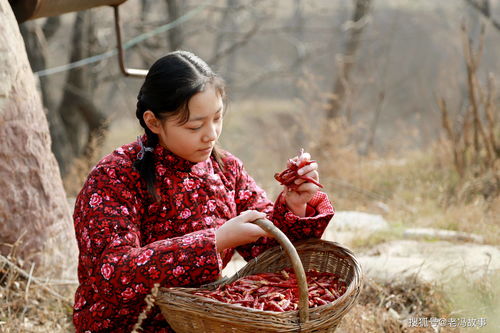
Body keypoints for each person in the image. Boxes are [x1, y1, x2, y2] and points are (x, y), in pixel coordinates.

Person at [72, 50, 335, 332]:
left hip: (201, 322)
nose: (211, 134)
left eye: (217, 118)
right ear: (153, 122)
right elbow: (113, 274)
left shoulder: (225, 169)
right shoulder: (114, 177)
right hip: (127, 326)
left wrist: (294, 206)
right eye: (195, 125)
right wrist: (215, 241)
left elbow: (272, 258)